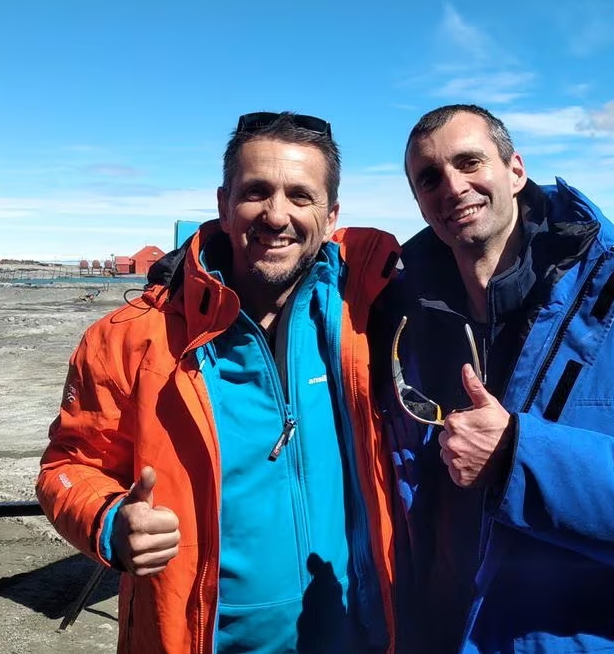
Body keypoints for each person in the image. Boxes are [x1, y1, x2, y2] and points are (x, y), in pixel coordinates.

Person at [377, 104, 614, 652]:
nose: (453, 186)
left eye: (470, 162)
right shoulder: (401, 318)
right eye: (429, 177)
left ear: (516, 171)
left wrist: (519, 455)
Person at [36, 111, 402, 653]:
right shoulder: (130, 340)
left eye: (301, 196)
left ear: (331, 215)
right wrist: (108, 520)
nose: (276, 215)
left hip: (361, 632)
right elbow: (67, 468)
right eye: (256, 192)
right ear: (223, 204)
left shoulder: (369, 314)